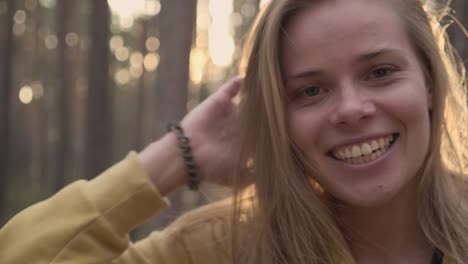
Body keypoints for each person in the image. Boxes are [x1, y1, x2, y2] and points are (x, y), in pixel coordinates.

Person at [1, 0, 467, 263]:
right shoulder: (226, 246)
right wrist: (175, 156)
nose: (350, 109)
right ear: (278, 121)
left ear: (429, 82)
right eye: (309, 92)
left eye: (381, 72)